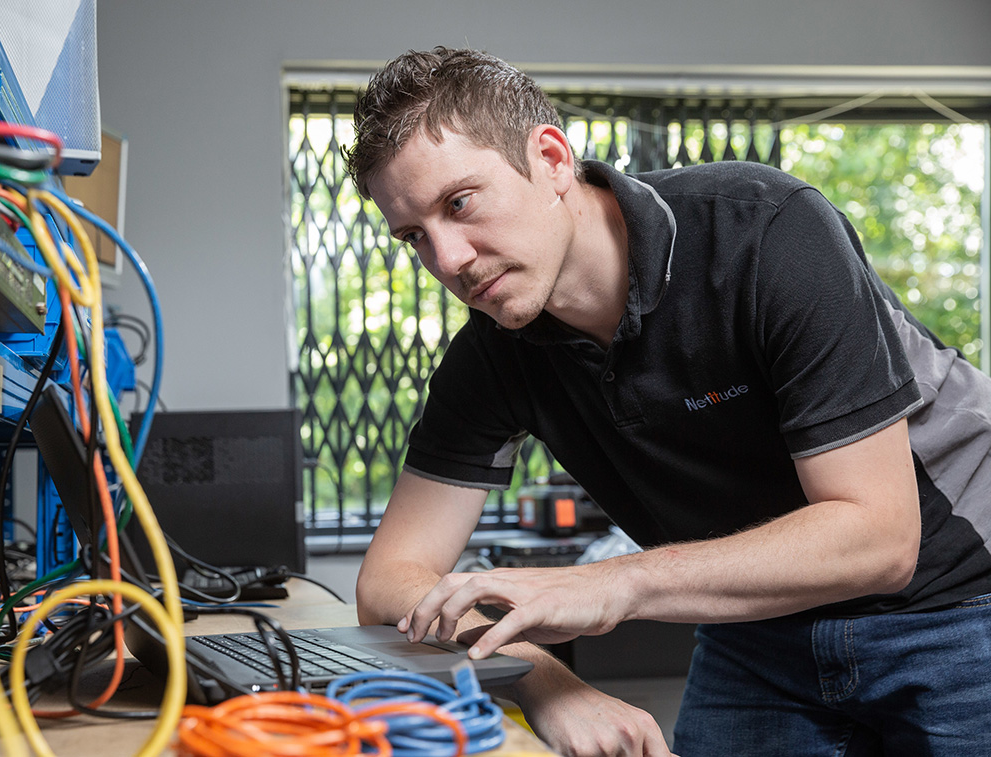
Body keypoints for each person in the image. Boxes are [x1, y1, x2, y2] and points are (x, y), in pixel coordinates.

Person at [344, 46, 991, 757]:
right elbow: (387, 582)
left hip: (959, 600)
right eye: (414, 237)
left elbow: (880, 540)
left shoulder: (766, 230)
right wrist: (540, 677)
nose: (449, 261)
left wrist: (607, 584)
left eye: (459, 203)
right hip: (759, 629)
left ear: (553, 159)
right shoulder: (494, 350)